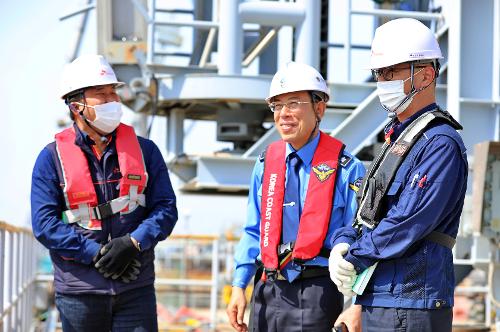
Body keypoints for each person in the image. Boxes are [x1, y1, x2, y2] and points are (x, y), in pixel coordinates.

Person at [329, 18, 468, 332]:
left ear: (426, 75)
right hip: (382, 297)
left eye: (391, 72)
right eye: (379, 73)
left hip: (412, 301)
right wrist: (343, 241)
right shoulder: (397, 141)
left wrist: (355, 255)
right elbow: (368, 211)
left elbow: (409, 220)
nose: (382, 81)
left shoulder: (440, 143)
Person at [31, 54, 178, 331]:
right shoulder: (51, 159)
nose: (114, 100)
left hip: (136, 289)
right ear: (77, 105)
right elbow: (45, 225)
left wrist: (132, 243)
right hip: (79, 293)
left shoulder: (146, 151)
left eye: (114, 92)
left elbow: (166, 209)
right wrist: (95, 254)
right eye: (102, 94)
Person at [226, 62, 366, 332]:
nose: (283, 114)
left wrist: (358, 303)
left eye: (293, 103)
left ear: (319, 108)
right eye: (277, 106)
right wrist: (238, 285)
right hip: (266, 291)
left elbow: (360, 240)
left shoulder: (348, 168)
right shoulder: (265, 163)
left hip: (318, 293)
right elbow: (253, 230)